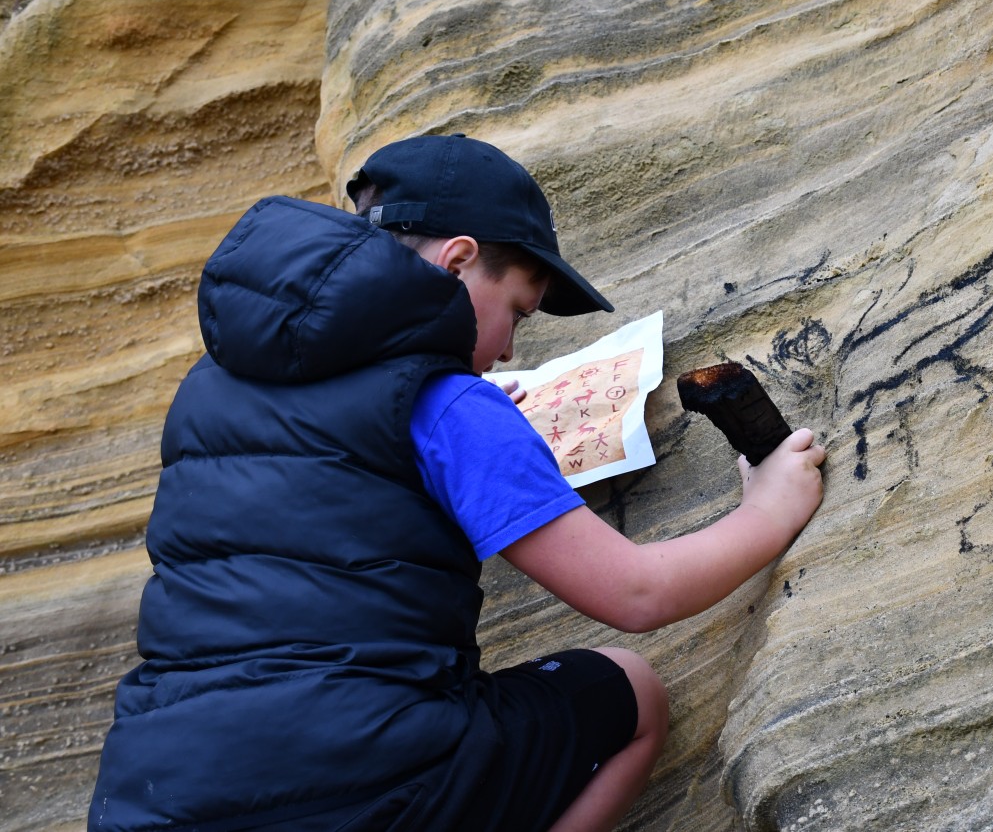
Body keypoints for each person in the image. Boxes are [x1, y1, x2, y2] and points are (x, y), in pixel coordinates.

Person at [89, 134, 825, 832]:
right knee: (628, 691)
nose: (506, 350)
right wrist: (768, 509)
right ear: (456, 261)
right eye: (516, 313)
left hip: (149, 793)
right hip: (361, 788)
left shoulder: (211, 389)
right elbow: (635, 595)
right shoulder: (448, 405)